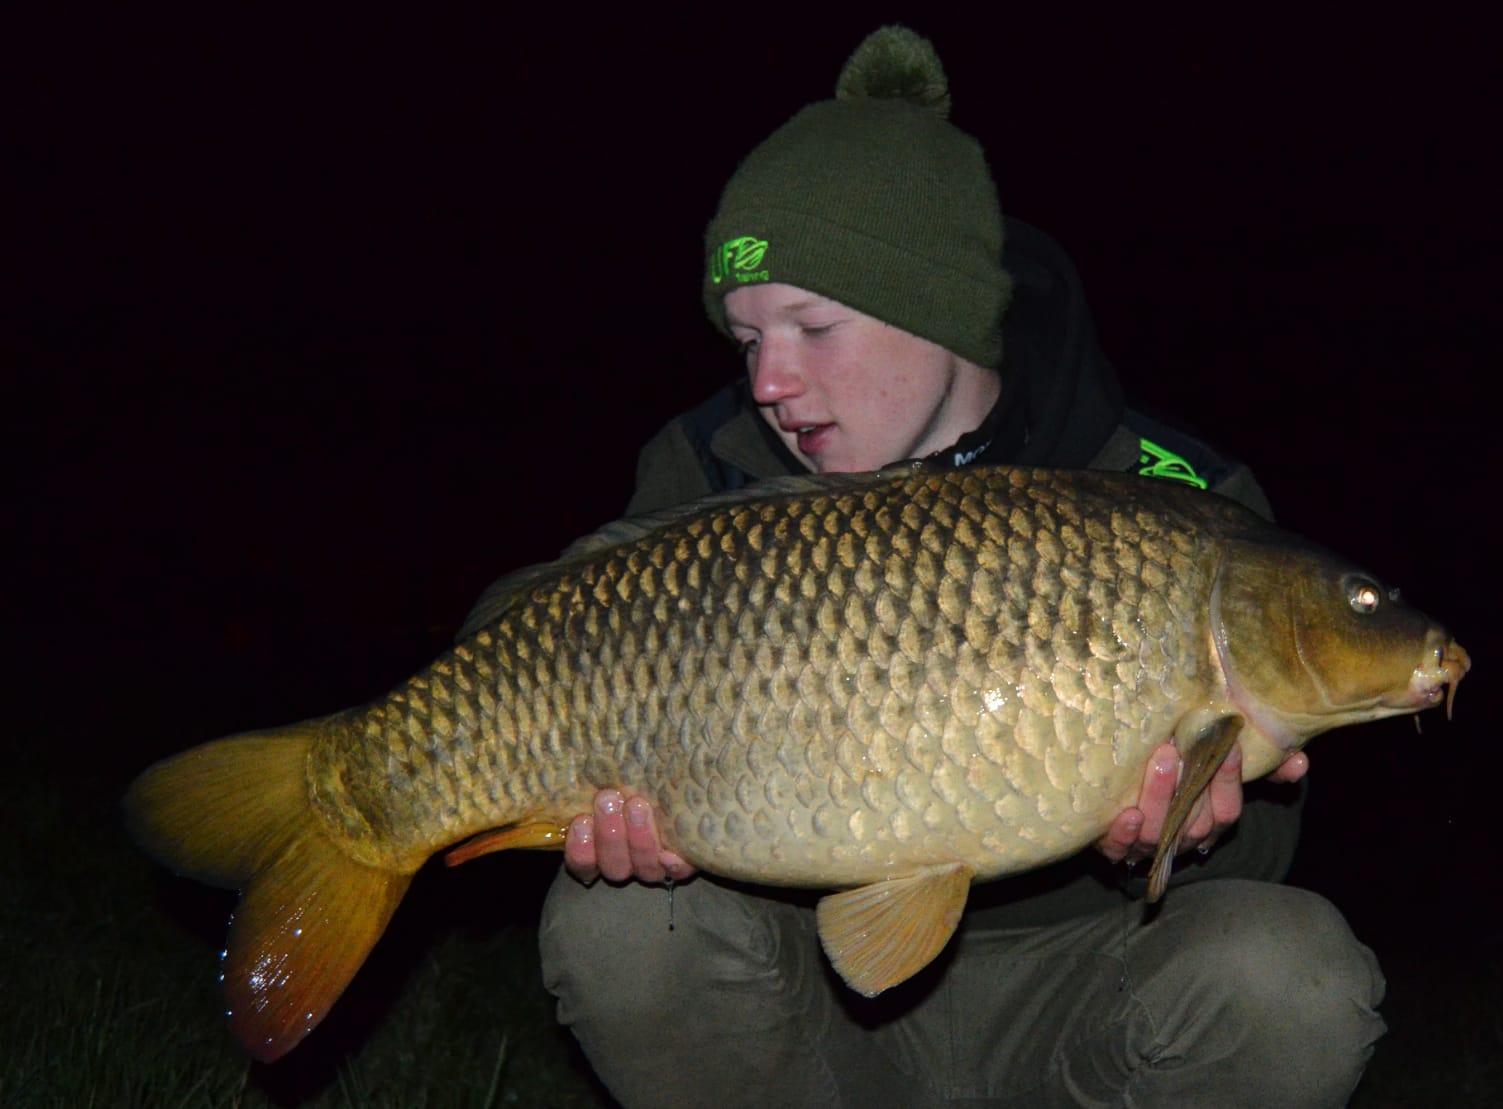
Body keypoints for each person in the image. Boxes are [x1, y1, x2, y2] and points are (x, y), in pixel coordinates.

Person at [476, 26, 1385, 1108]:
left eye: (810, 326)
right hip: (796, 995)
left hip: (1088, 984)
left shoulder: (1181, 503)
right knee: (622, 922)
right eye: (746, 338)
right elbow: (528, 641)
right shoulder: (708, 470)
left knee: (1297, 976)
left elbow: (1266, 851)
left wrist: (1206, 824)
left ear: (937, 312)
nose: (769, 380)